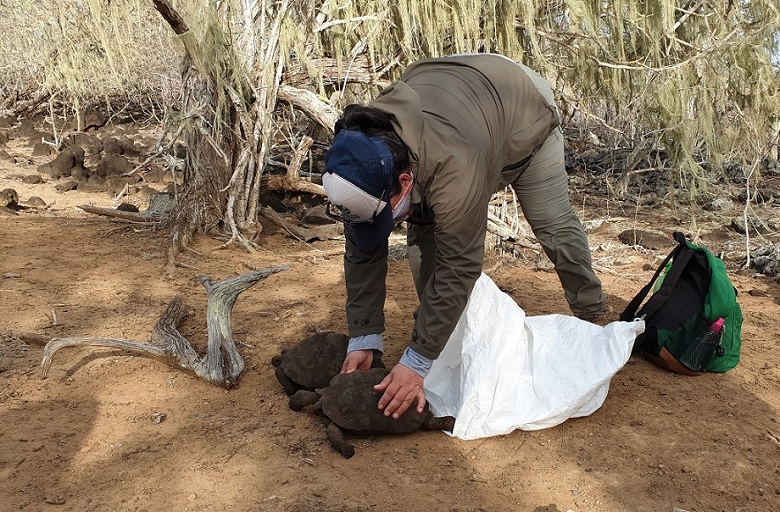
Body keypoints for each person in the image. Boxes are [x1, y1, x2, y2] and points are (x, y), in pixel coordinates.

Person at [322, 53, 607, 420]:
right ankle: (447, 347)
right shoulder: (361, 159)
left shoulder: (455, 168)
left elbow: (459, 264)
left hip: (523, 112)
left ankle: (591, 309)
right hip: (461, 110)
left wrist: (416, 361)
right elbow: (363, 250)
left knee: (551, 225)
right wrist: (365, 336)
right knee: (422, 245)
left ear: (404, 182)